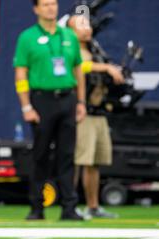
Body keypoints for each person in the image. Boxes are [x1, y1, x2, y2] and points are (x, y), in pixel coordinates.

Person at [13, 0, 87, 220]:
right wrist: (26, 105)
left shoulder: (69, 36)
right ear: (36, 9)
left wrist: (81, 102)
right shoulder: (27, 37)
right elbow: (20, 73)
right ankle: (37, 207)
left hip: (67, 98)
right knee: (40, 154)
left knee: (67, 154)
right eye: (45, 4)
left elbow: (78, 71)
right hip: (41, 100)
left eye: (53, 4)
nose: (51, 8)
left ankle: (69, 207)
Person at [68, 15, 123, 219]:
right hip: (82, 113)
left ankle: (93, 206)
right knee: (78, 160)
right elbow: (80, 67)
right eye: (80, 26)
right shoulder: (71, 49)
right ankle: (70, 205)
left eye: (87, 24)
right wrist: (107, 68)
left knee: (94, 162)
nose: (86, 29)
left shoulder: (95, 50)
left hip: (99, 113)